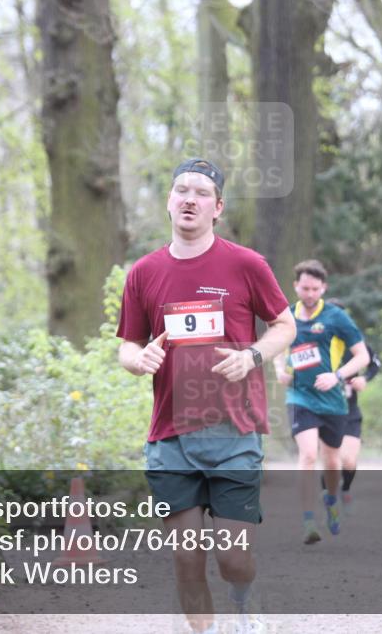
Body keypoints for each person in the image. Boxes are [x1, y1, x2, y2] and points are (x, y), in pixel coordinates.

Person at [117, 158, 296, 634]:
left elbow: (285, 324)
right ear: (169, 203)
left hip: (234, 432)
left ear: (217, 207)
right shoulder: (144, 272)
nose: (189, 199)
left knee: (233, 559)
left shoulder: (245, 264)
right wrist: (139, 361)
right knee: (185, 556)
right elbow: (128, 344)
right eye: (181, 190)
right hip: (170, 436)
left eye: (200, 193)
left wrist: (253, 356)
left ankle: (245, 596)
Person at [272, 261, 371, 544]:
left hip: (332, 401)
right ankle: (307, 522)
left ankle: (330, 498)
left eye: (316, 289)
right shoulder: (286, 316)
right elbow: (278, 346)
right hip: (300, 396)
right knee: (307, 456)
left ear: (323, 288)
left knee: (331, 461)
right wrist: (280, 369)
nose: (310, 293)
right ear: (295, 286)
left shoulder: (336, 317)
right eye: (305, 288)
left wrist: (337, 376)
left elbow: (362, 356)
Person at [320, 298, 381, 514]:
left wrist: (364, 379)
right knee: (331, 459)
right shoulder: (317, 342)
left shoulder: (354, 343)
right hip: (324, 410)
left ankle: (345, 489)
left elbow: (375, 363)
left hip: (350, 411)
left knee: (349, 460)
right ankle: (327, 494)